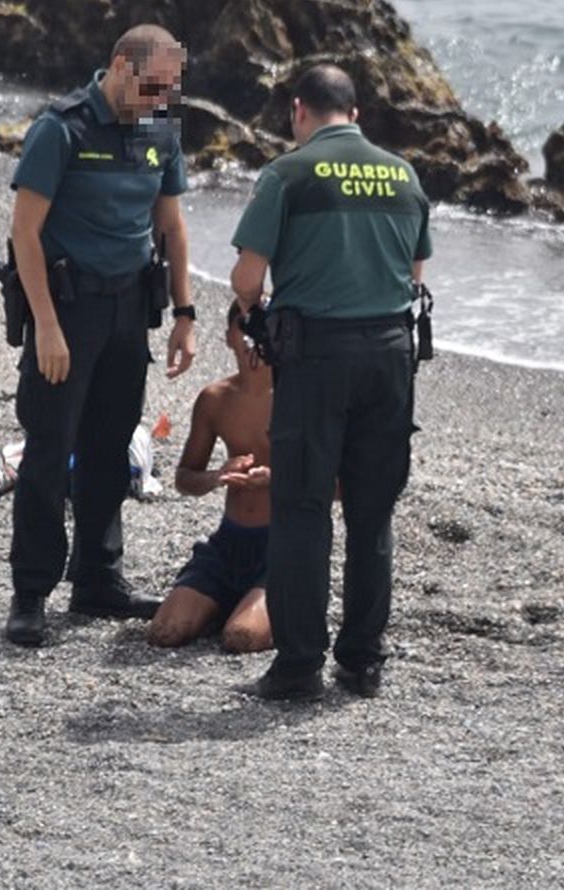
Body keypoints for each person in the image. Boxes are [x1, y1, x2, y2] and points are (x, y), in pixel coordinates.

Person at [229, 63, 431, 700]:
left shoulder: (288, 174)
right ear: (357, 114)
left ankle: (298, 666)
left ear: (298, 112)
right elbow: (417, 275)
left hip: (317, 357)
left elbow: (246, 277)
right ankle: (363, 662)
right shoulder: (402, 174)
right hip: (391, 355)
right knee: (372, 513)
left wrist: (253, 319)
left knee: (302, 509)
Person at [5, 25, 198, 647]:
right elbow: (25, 235)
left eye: (171, 89)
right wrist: (48, 329)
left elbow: (171, 226)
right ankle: (32, 591)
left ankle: (97, 578)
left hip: (127, 308)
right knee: (48, 447)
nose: (161, 99)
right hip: (68, 307)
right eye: (152, 86)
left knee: (111, 444)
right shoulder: (60, 129)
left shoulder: (159, 131)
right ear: (119, 67)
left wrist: (185, 313)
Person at [147, 300, 274, 654]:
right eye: (245, 325)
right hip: (229, 543)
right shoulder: (216, 398)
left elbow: (335, 485)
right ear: (228, 336)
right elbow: (185, 477)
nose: (253, 336)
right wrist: (217, 477)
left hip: (283, 544)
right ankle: (226, 603)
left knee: (241, 639)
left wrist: (275, 479)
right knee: (165, 632)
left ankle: (266, 604)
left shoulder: (297, 396)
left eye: (265, 325)